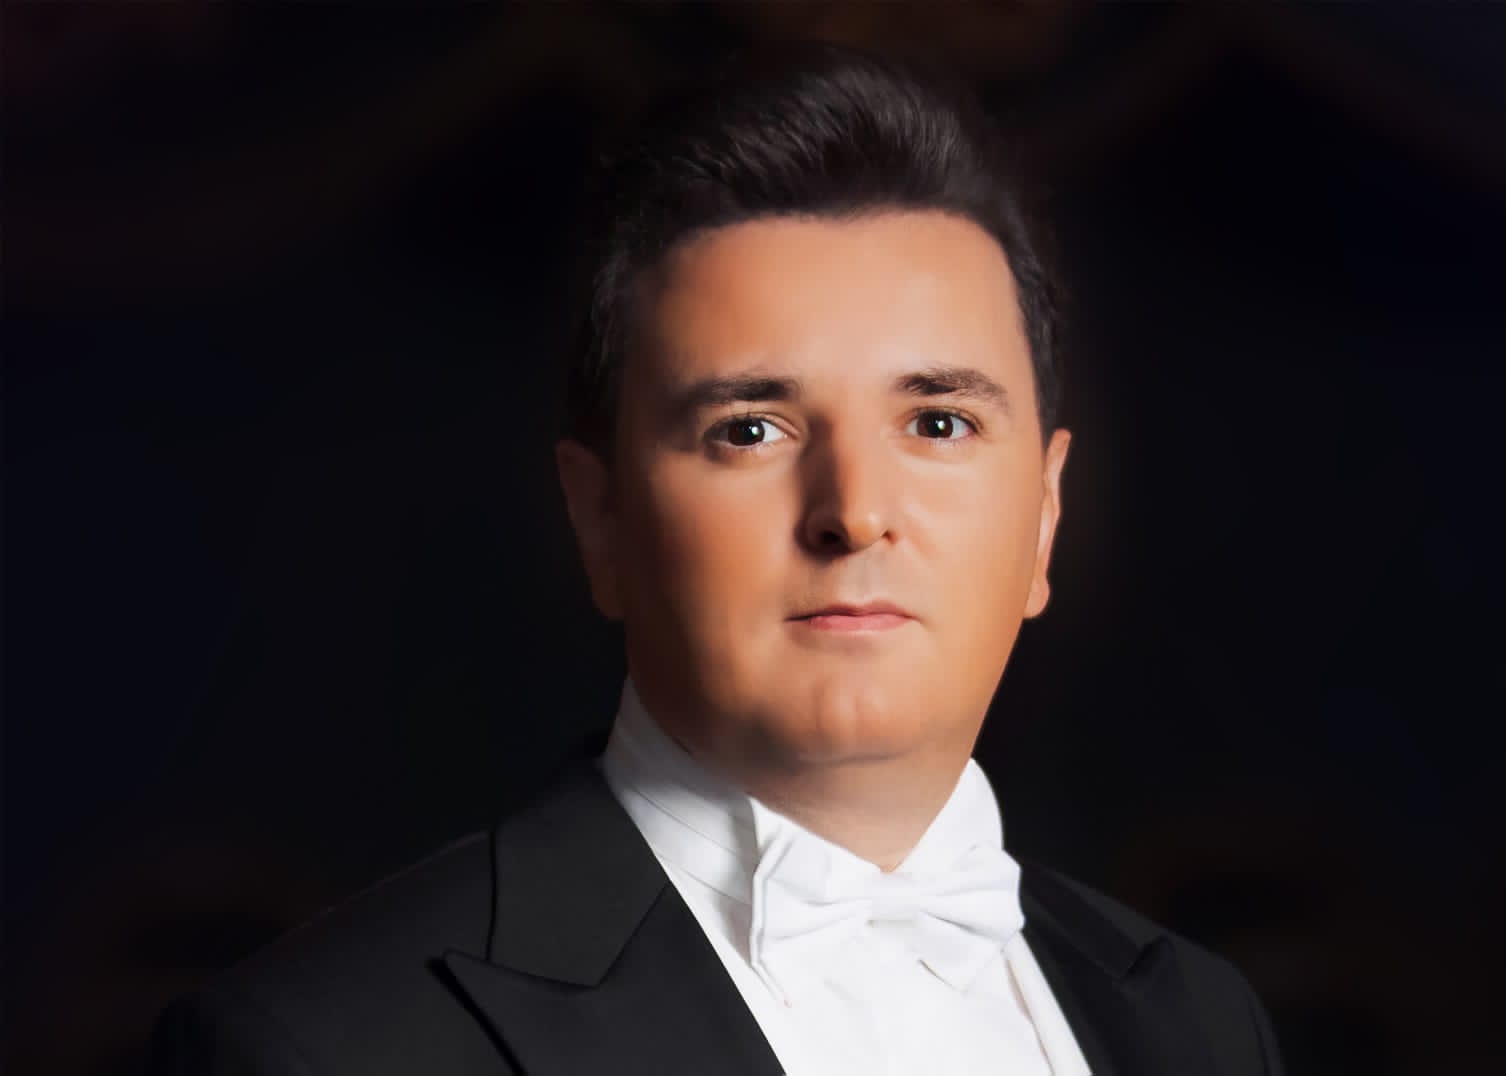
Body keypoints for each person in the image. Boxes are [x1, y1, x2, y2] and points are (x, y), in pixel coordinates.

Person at [146, 43, 1284, 1075]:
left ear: (1043, 517)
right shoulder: (317, 1048)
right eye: (750, 430)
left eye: (938, 422)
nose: (854, 513)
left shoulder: (1201, 1024)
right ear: (600, 520)